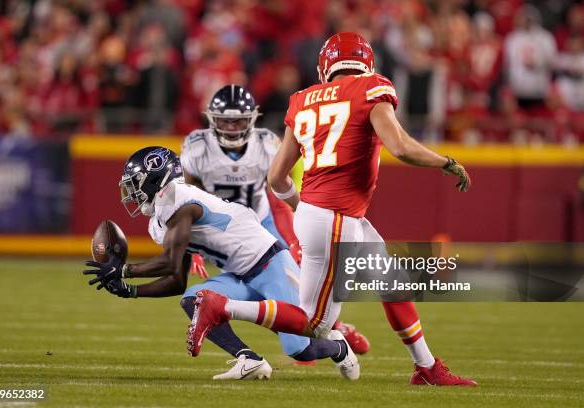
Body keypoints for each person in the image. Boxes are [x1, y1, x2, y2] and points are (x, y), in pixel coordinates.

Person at [187, 32, 477, 386]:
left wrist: (303, 208)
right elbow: (399, 146)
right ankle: (220, 306)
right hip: (336, 218)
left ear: (326, 66)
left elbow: (276, 178)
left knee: (392, 283)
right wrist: (446, 162)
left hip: (327, 214)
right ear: (366, 63)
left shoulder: (304, 99)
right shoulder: (371, 88)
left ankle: (427, 367)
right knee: (315, 324)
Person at [83, 146, 359, 381]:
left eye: (135, 183)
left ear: (156, 178)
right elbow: (177, 281)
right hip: (239, 274)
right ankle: (248, 359)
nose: (130, 192)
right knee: (194, 300)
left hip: (270, 264)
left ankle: (337, 347)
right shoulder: (160, 221)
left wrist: (123, 270)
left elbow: (168, 262)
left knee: (300, 349)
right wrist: (131, 290)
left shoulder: (179, 200)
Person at [180, 84, 370, 360]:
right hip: (222, 232)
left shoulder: (267, 144)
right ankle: (321, 334)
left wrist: (292, 236)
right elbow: (189, 198)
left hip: (262, 225)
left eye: (239, 121)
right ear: (212, 119)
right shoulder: (198, 148)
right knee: (267, 289)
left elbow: (280, 190)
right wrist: (194, 247)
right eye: (225, 120)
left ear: (252, 119)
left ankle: (331, 330)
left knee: (292, 285)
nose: (232, 128)